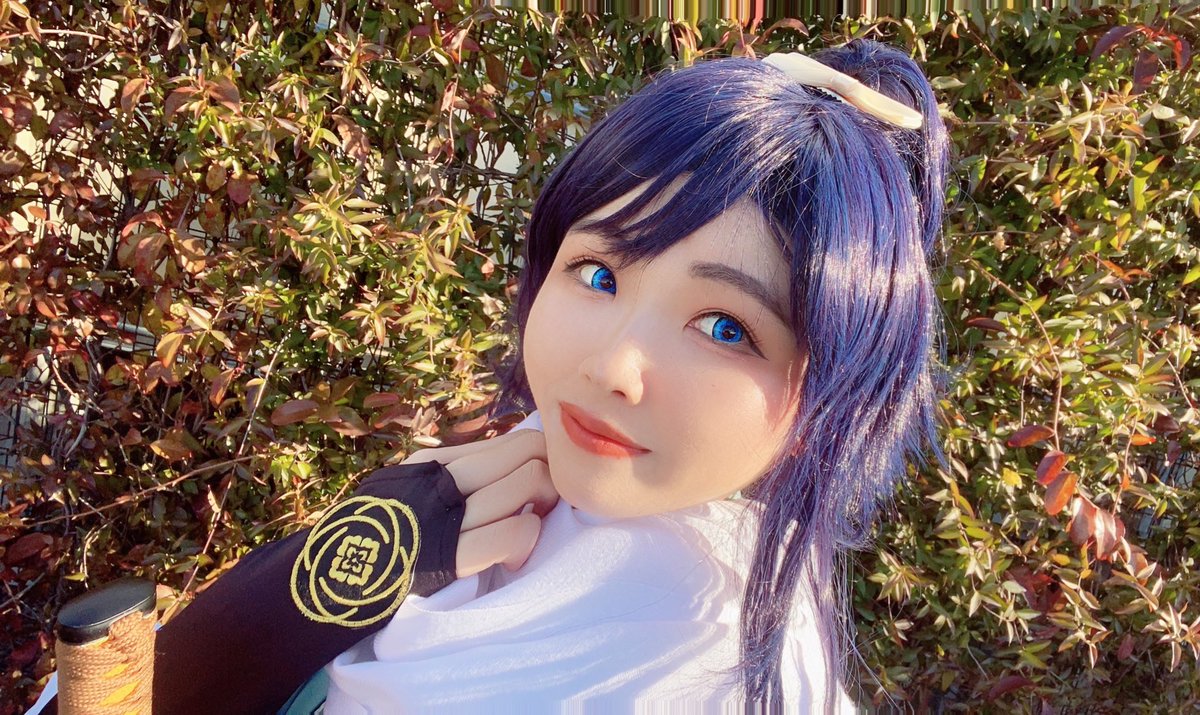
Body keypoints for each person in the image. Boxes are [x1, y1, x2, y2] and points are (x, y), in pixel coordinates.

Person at [30, 37, 949, 714]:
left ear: (832, 391)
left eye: (724, 327)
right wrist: (303, 588)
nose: (612, 365)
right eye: (598, 273)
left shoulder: (701, 667)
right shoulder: (492, 489)